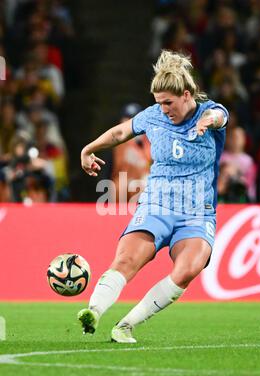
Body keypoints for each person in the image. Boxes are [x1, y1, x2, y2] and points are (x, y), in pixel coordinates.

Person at [78, 50, 229, 343]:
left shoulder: (210, 111)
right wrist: (88, 149)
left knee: (188, 269)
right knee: (127, 259)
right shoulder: (153, 115)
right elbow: (120, 132)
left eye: (168, 103)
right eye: (158, 103)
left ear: (187, 95)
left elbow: (220, 116)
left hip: (197, 212)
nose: (163, 110)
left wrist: (207, 120)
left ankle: (126, 325)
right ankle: (93, 311)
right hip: (157, 205)